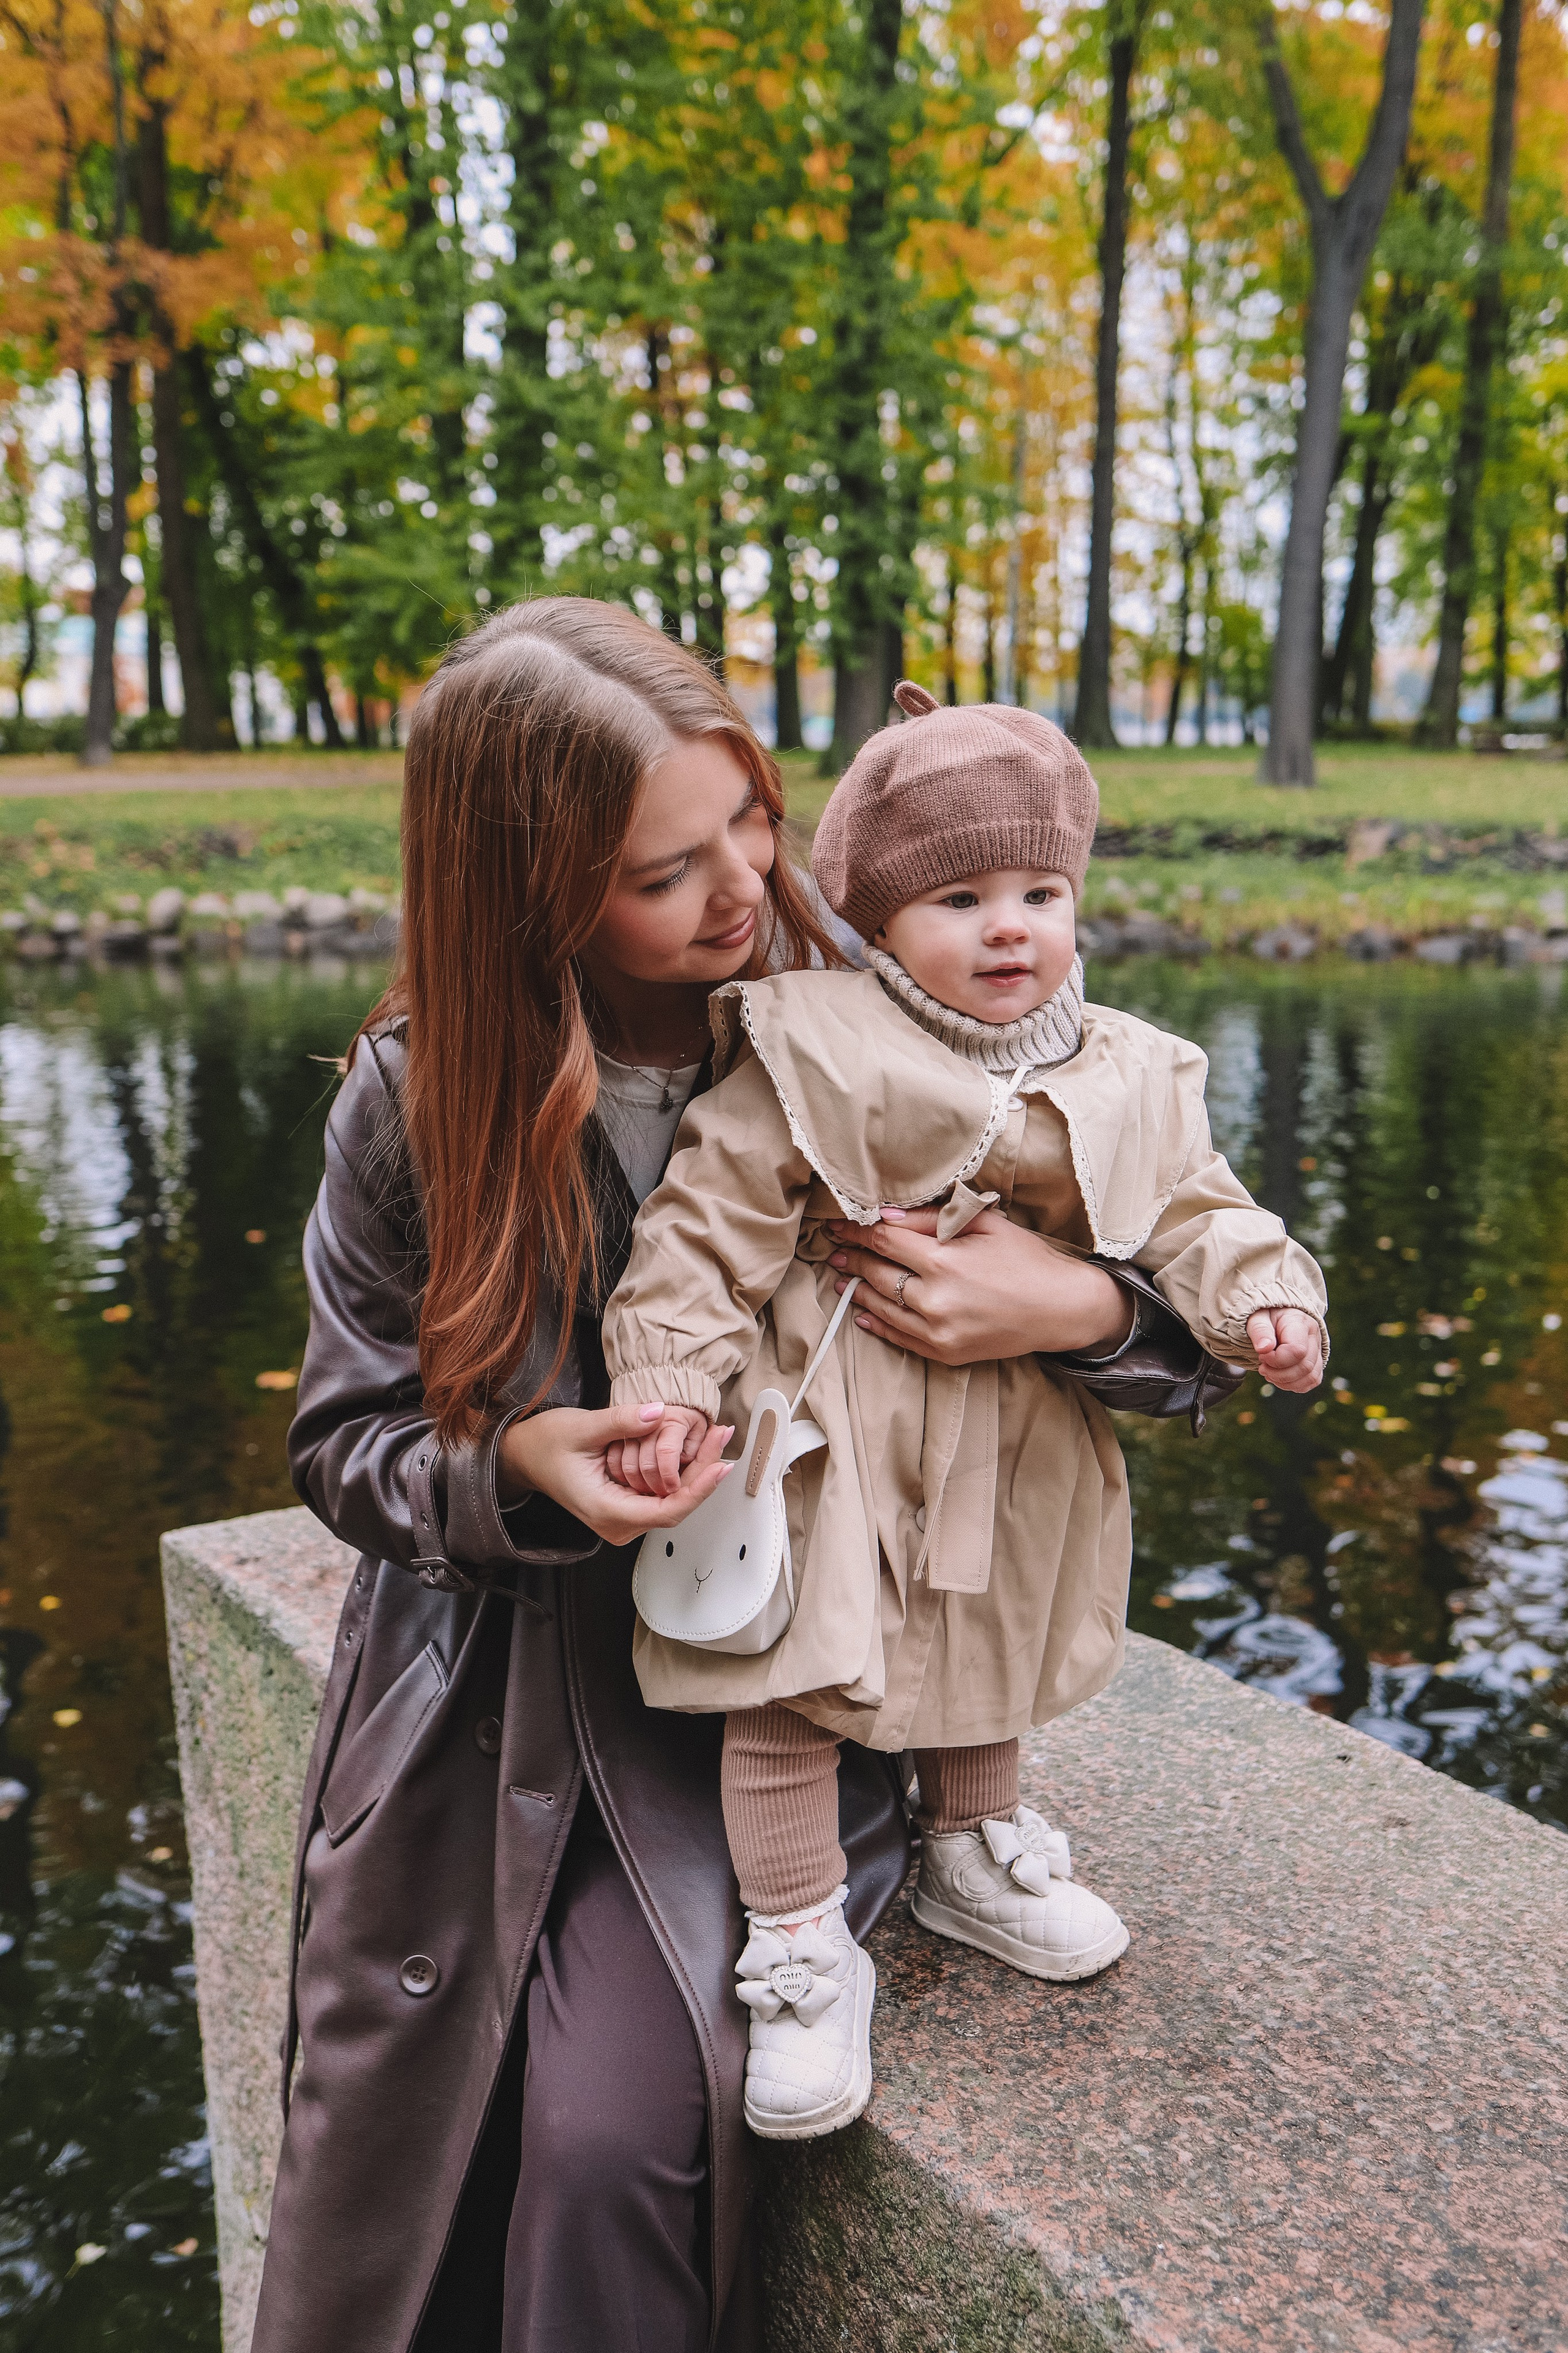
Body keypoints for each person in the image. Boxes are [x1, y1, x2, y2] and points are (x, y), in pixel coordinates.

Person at [251, 603, 1210, 2353]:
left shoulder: (901, 998)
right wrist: (524, 1461)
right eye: (661, 869)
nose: (742, 888)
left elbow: (1196, 1237)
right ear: (526, 889)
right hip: (504, 1689)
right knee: (448, 2139)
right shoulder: (417, 1092)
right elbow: (344, 1438)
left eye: (753, 819)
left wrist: (1072, 1305)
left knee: (618, 2131)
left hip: (781, 1669)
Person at [600, 681, 1329, 2143]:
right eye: (959, 897)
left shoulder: (1125, 1066)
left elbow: (1193, 1207)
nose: (1008, 926)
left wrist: (1264, 1298)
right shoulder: (811, 1039)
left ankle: (973, 1843)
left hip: (1010, 1422)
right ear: (878, 918)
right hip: (831, 1418)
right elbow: (705, 1223)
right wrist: (668, 1384)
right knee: (789, 1678)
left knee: (985, 1640)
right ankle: (800, 1948)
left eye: (1037, 890)